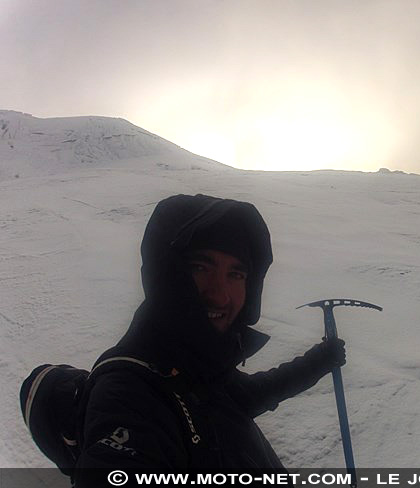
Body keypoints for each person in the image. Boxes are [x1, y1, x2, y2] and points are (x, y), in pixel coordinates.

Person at [73, 194, 345, 480]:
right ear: (165, 273)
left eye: (236, 275)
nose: (220, 294)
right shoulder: (129, 394)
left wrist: (320, 360)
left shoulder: (199, 369)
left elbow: (254, 393)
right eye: (200, 268)